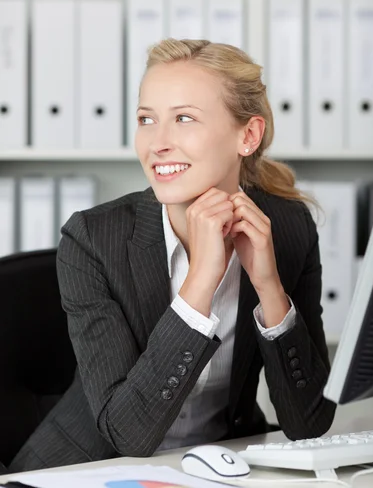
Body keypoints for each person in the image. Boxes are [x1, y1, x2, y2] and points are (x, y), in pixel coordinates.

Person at [8, 39, 336, 473]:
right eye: (147, 119)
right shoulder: (91, 239)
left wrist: (269, 288)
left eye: (184, 118)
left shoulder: (288, 230)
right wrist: (200, 281)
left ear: (248, 135)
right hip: (83, 471)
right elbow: (128, 435)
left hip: (220, 466)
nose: (157, 143)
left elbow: (309, 424)